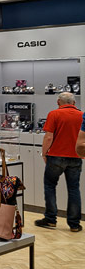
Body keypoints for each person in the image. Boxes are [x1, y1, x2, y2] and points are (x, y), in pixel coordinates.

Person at [36, 92, 82, 232]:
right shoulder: (82, 115)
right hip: (76, 156)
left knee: (50, 186)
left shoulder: (54, 114)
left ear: (58, 102)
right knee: (74, 188)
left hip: (56, 156)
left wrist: (44, 153)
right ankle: (74, 224)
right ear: (74, 103)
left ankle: (50, 219)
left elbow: (48, 137)